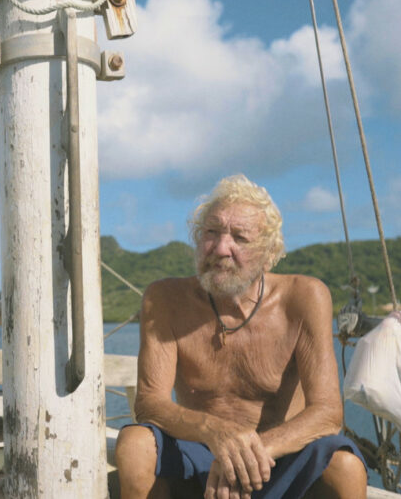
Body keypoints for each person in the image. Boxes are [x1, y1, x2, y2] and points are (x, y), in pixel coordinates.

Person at [114, 174, 367, 499]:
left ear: (268, 252)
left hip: (281, 454)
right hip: (200, 450)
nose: (221, 248)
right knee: (135, 445)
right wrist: (216, 433)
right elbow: (150, 404)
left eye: (240, 238)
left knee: (345, 467)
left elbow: (327, 413)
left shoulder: (304, 297)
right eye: (211, 233)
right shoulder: (164, 299)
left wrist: (246, 453)